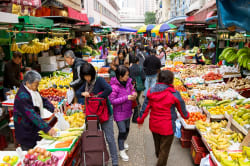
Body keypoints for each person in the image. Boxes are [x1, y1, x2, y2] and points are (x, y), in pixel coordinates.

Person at [137, 70, 189, 166]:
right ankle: (161, 162)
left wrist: (140, 120)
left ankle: (160, 158)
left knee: (158, 146)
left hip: (154, 125)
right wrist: (186, 115)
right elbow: (181, 106)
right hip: (168, 127)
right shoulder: (174, 93)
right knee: (164, 150)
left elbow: (144, 108)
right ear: (171, 80)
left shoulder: (151, 91)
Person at [75, 63, 118, 166]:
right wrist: (82, 93)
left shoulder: (99, 80)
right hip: (93, 115)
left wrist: (97, 98)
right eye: (85, 76)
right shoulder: (85, 83)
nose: (87, 78)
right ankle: (101, 158)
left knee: (109, 138)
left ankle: (115, 161)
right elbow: (77, 92)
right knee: (97, 137)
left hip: (105, 113)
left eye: (89, 75)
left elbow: (109, 89)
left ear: (93, 74)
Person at [13, 70, 58, 150]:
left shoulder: (32, 89)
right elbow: (32, 115)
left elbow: (42, 100)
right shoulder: (23, 96)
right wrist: (47, 128)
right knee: (30, 153)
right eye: (35, 85)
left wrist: (53, 108)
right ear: (27, 83)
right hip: (25, 131)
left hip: (34, 129)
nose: (37, 87)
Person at [109, 65, 137, 162]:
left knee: (127, 129)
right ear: (120, 76)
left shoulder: (128, 82)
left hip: (128, 111)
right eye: (126, 75)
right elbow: (112, 101)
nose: (128, 76)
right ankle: (121, 150)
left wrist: (134, 93)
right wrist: (127, 98)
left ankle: (123, 142)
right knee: (122, 131)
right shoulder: (114, 87)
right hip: (119, 113)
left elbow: (132, 89)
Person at [129, 56, 145, 123]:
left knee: (136, 100)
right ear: (138, 61)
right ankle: (136, 117)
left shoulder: (130, 68)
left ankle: (136, 115)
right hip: (139, 86)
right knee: (137, 100)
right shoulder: (140, 68)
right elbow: (143, 77)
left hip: (132, 86)